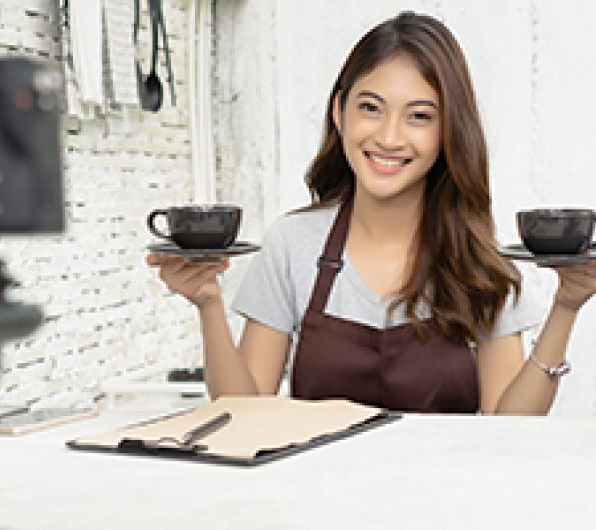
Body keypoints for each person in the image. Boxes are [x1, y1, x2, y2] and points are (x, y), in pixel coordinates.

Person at [147, 12, 596, 414]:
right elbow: (243, 414)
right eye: (370, 108)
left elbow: (509, 425)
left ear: (447, 133)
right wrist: (207, 303)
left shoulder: (476, 258)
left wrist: (567, 306)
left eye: (418, 116)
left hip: (446, 500)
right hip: (316, 499)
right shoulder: (293, 244)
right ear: (340, 111)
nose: (389, 137)